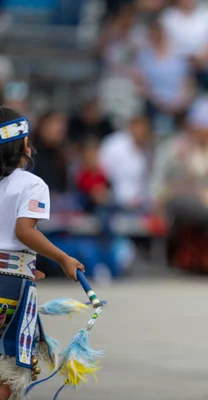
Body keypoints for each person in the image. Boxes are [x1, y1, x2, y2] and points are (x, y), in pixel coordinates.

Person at [0, 107, 85, 399]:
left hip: (13, 272)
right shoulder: (31, 184)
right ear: (23, 145)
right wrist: (63, 258)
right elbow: (24, 231)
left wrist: (24, 262)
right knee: (8, 364)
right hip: (9, 285)